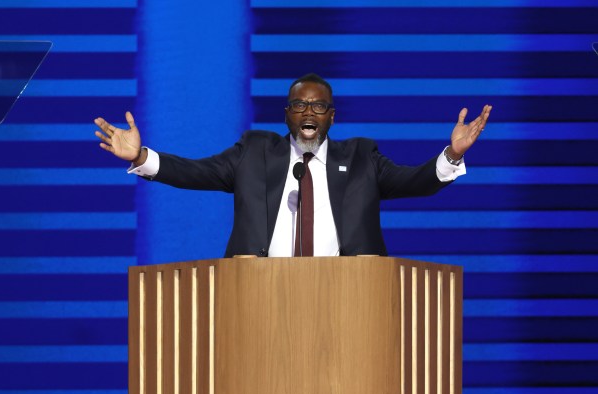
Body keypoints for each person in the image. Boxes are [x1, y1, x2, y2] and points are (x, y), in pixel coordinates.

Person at [94, 73, 490, 258]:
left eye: (318, 106)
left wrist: (451, 155)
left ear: (332, 117)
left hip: (350, 297)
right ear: (286, 114)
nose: (308, 111)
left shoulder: (360, 157)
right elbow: (197, 172)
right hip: (257, 295)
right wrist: (143, 157)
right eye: (299, 104)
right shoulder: (253, 151)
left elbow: (414, 181)